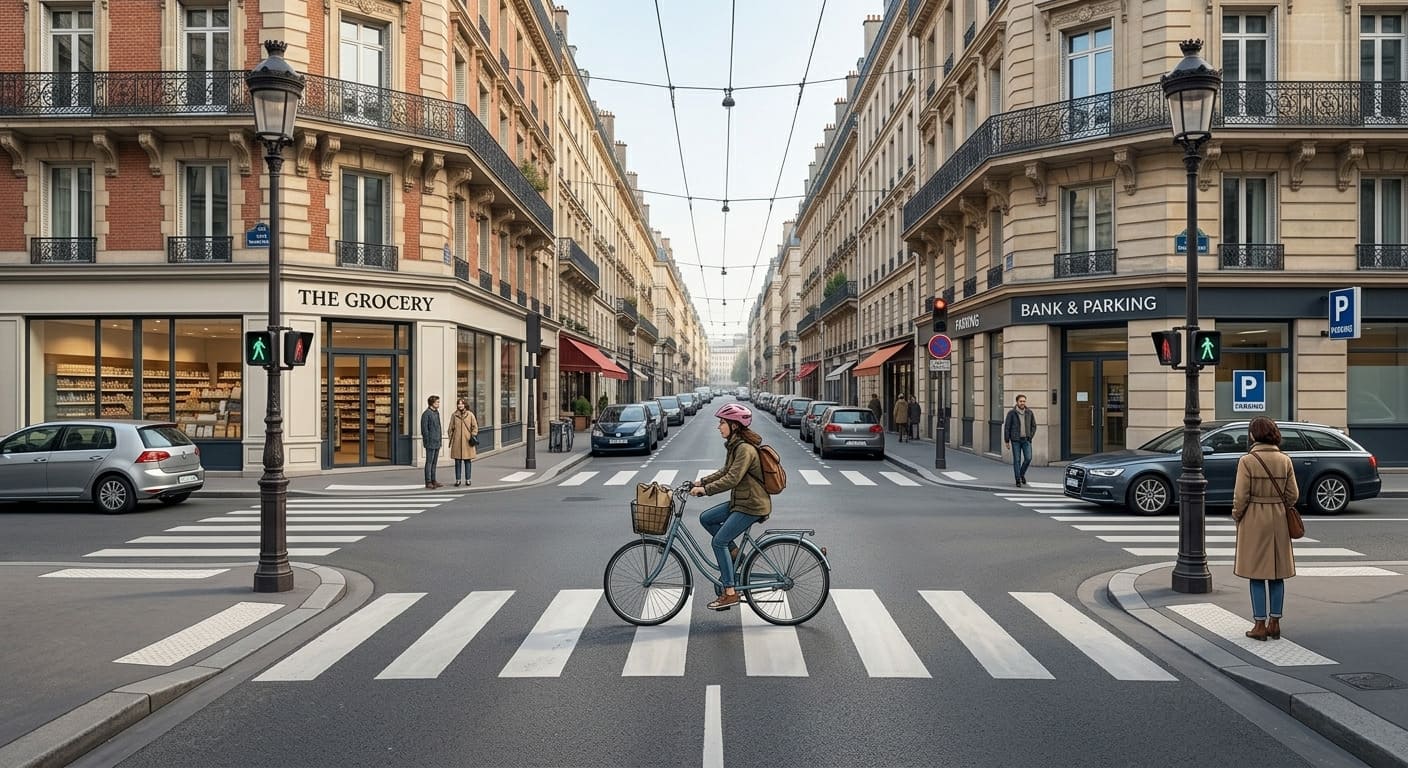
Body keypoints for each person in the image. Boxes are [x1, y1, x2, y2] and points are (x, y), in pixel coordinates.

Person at [691, 402, 772, 611]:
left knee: (719, 542)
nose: (719, 426)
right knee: (706, 518)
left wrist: (706, 491)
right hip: (742, 501)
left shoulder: (744, 449)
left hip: (751, 505)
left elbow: (732, 479)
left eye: (722, 422)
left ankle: (730, 592)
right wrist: (701, 482)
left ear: (734, 425)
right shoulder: (736, 445)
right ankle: (737, 558)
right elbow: (725, 471)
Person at [1232, 416, 1299, 641]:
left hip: (1254, 518)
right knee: (1277, 574)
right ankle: (1275, 623)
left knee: (1257, 574)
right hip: (1279, 518)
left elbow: (1241, 496)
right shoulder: (1284, 460)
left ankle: (1259, 625)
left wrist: (1237, 514)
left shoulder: (1247, 461)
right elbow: (1293, 495)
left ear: (1253, 435)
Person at [1003, 394, 1037, 487]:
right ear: (1017, 402)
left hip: (1026, 440)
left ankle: (1021, 474)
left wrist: (1031, 436)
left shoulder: (1029, 412)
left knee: (1028, 458)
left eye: (1024, 401)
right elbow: (1007, 427)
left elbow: (1034, 426)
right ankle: (1018, 479)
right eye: (1021, 401)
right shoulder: (1012, 413)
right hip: (1015, 441)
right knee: (1017, 460)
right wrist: (1007, 441)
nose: (1022, 403)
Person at [447, 397, 479, 487]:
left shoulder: (470, 414)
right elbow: (450, 428)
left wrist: (472, 435)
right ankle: (458, 480)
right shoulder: (454, 415)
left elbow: (475, 426)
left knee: (467, 461)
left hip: (467, 442)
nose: (460, 405)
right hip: (457, 442)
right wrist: (452, 437)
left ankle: (468, 479)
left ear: (465, 405)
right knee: (457, 462)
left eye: (461, 403)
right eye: (458, 403)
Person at [421, 395, 443, 489]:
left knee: (434, 463)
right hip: (430, 442)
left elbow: (439, 427)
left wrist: (440, 439)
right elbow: (424, 430)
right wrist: (427, 441)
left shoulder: (436, 413)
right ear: (432, 403)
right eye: (437, 402)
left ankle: (434, 480)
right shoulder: (426, 414)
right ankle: (428, 481)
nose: (438, 403)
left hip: (437, 441)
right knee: (429, 462)